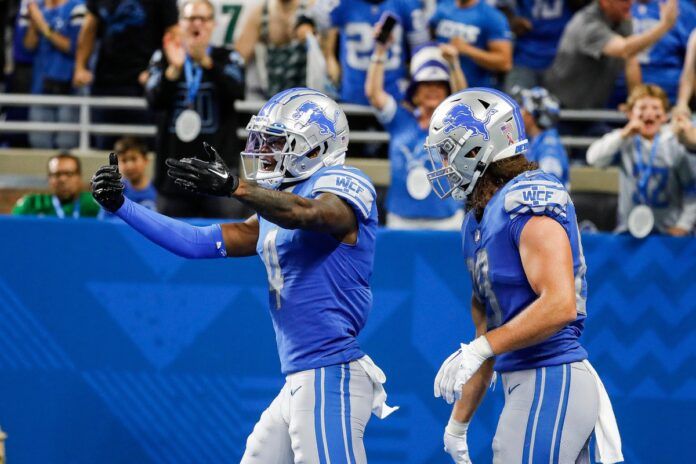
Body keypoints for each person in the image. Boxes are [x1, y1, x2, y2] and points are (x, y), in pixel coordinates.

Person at [90, 88, 396, 462]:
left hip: (329, 375)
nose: (263, 152)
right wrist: (124, 207)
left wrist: (236, 186)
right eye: (262, 141)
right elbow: (198, 243)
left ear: (316, 148)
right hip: (302, 380)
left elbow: (313, 215)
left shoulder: (345, 182)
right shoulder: (276, 208)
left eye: (276, 143)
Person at [424, 88, 622, 463]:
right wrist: (458, 425)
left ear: (479, 147)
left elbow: (559, 303)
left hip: (552, 377)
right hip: (530, 383)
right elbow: (487, 337)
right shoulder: (475, 223)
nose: (445, 162)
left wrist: (483, 347)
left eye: (450, 149)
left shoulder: (528, 196)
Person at [145, 0, 246, 218]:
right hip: (173, 171)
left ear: (213, 24)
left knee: (225, 242)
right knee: (169, 243)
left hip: (218, 170)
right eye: (191, 18)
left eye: (203, 18)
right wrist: (174, 69)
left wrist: (207, 62)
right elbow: (152, 100)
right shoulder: (163, 56)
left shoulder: (228, 56)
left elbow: (238, 90)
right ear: (180, 23)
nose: (197, 24)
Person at [366, 41, 466, 229]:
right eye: (426, 84)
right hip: (402, 218)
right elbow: (373, 94)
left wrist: (454, 65)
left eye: (440, 85)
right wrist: (379, 51)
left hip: (447, 219)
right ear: (415, 93)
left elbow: (464, 100)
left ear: (448, 92)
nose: (433, 89)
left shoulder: (454, 123)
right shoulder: (400, 119)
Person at [587, 84, 696, 236]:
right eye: (643, 108)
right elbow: (593, 159)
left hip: (669, 234)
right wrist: (623, 134)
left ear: (665, 115)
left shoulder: (675, 143)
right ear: (630, 114)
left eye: (655, 108)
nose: (649, 113)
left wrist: (683, 226)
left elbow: (691, 188)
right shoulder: (624, 140)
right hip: (630, 231)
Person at [72, 0, 179, 148]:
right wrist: (80, 67)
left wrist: (158, 72)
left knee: (145, 150)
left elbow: (172, 33)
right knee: (105, 153)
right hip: (106, 84)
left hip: (144, 85)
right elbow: (89, 28)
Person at [545, 0, 678, 109]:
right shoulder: (587, 24)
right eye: (623, 1)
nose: (630, 4)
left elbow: (631, 61)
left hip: (593, 109)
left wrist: (636, 103)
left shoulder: (622, 20)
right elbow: (626, 49)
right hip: (563, 109)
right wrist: (664, 26)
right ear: (605, 2)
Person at [314, 0, 429, 105]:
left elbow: (421, 51)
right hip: (352, 95)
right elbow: (315, 21)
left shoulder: (406, 4)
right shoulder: (341, 3)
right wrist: (329, 56)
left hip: (394, 97)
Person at [23, 0, 85, 149]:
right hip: (40, 88)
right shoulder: (39, 7)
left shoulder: (77, 7)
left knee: (66, 145)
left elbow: (74, 47)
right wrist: (33, 22)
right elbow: (29, 45)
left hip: (68, 89)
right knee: (38, 143)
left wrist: (43, 24)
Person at [234, 0, 315, 98]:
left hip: (309, 98)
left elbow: (329, 57)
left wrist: (312, 36)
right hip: (275, 99)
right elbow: (239, 58)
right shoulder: (261, 13)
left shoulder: (312, 8)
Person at [429, 0, 513, 89]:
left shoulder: (492, 17)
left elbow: (504, 63)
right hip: (439, 84)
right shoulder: (443, 7)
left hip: (473, 89)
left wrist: (467, 50)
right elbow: (430, 35)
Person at [498, 0, 575, 92]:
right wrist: (512, 21)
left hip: (562, 59)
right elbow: (501, 10)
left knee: (566, 103)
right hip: (525, 56)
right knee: (515, 102)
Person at [511, 86, 569, 188]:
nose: (520, 113)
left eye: (524, 108)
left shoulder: (549, 148)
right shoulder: (534, 139)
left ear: (534, 115)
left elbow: (549, 188)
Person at [13, 152, 101, 218]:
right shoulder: (31, 204)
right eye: (57, 174)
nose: (62, 180)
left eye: (69, 174)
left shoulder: (97, 204)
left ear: (79, 177)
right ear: (49, 178)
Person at [114, 136, 157, 210]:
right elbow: (103, 220)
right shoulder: (114, 192)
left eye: (134, 159)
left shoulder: (159, 190)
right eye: (124, 160)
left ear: (146, 160)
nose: (129, 166)